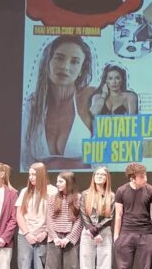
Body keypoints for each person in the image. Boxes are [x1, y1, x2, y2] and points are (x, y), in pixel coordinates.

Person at [21, 35, 97, 169]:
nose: (65, 67)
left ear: (81, 70)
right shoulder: (32, 104)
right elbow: (25, 160)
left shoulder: (91, 99)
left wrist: (51, 165)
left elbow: (103, 161)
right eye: (59, 58)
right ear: (47, 62)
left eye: (74, 62)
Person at [114, 162, 152, 269]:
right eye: (141, 176)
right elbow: (118, 215)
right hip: (126, 234)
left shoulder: (151, 190)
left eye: (145, 175)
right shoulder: (121, 191)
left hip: (146, 234)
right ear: (133, 178)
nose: (145, 178)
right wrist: (116, 237)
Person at [15, 162, 56, 269]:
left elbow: (53, 215)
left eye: (34, 174)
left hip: (43, 236)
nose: (31, 177)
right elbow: (19, 214)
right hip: (26, 236)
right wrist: (27, 234)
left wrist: (45, 232)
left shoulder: (52, 191)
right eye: (30, 174)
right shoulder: (25, 192)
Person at [80, 166, 116, 269]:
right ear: (93, 177)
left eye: (103, 174)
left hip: (105, 236)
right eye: (97, 174)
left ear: (107, 178)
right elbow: (83, 215)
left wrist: (98, 232)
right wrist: (93, 232)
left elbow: (110, 217)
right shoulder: (85, 194)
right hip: (88, 235)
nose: (100, 176)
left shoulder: (111, 196)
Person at [46, 171, 83, 269]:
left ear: (69, 182)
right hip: (54, 239)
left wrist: (69, 238)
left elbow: (80, 220)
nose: (57, 184)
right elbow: (48, 220)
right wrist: (55, 237)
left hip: (70, 240)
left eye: (61, 181)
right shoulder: (51, 198)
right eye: (57, 181)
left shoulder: (78, 198)